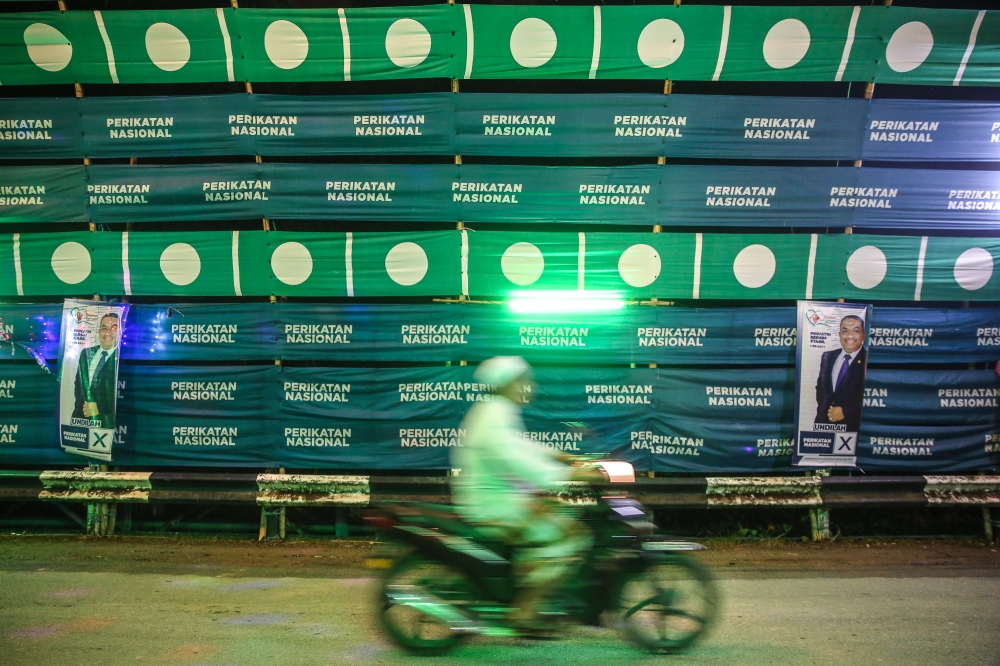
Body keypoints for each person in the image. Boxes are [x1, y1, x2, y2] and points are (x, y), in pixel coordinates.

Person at [451, 356, 597, 633]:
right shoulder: (495, 415)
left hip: (505, 497)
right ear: (508, 384)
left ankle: (528, 581)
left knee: (558, 517)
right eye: (522, 381)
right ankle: (526, 610)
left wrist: (562, 456)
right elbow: (518, 460)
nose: (527, 386)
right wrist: (568, 475)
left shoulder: (495, 410)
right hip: (495, 505)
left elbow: (522, 446)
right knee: (571, 537)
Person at [814, 314, 867, 433]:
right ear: (839, 335)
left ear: (863, 335)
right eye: (845, 331)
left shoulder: (868, 359)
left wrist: (846, 412)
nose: (849, 336)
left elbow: (872, 397)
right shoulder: (828, 356)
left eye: (856, 331)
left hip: (852, 430)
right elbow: (820, 388)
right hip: (823, 427)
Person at [72, 312, 120, 429]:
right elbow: (79, 386)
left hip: (105, 423)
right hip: (79, 421)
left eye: (114, 328)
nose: (108, 332)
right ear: (98, 331)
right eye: (104, 328)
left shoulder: (121, 359)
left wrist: (99, 408)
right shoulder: (85, 354)